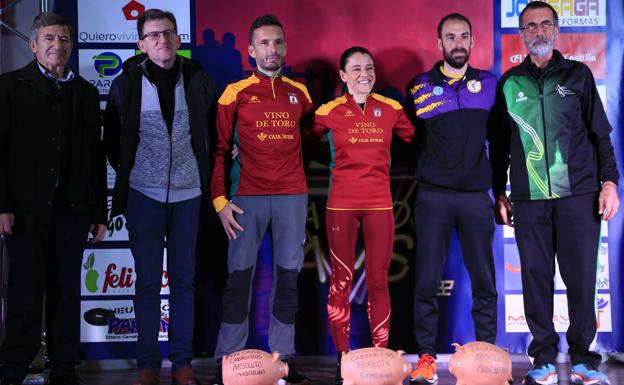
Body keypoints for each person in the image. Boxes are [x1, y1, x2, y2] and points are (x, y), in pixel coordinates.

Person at [491, 2, 619, 385]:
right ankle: (543, 358)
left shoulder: (578, 75)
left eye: (545, 24)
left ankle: (583, 358)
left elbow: (601, 135)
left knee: (581, 278)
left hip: (579, 194)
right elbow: (499, 144)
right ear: (522, 34)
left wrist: (609, 182)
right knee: (534, 276)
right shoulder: (510, 83)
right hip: (529, 196)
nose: (539, 31)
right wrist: (499, 190)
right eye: (530, 26)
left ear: (557, 30)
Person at [103, 9, 215, 385]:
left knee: (184, 281)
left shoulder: (198, 78)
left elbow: (209, 137)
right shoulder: (126, 83)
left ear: (178, 39)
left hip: (189, 195)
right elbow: (112, 142)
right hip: (143, 196)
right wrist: (137, 174)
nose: (161, 40)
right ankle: (149, 364)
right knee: (148, 283)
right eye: (152, 35)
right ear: (141, 44)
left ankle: (182, 363)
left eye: (167, 33)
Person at [0, 12, 107, 385]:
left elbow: (94, 157)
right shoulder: (10, 87)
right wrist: (3, 205)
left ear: (71, 45)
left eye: (63, 39)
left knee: (67, 295)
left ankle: (63, 368)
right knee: (25, 293)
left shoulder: (87, 94)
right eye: (48, 39)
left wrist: (99, 213)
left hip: (74, 211)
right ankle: (12, 368)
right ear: (33, 45)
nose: (56, 46)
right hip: (25, 212)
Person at [210, 14, 312, 385]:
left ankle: (284, 358)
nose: (273, 49)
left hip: (291, 197)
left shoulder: (300, 93)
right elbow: (219, 150)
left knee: (288, 279)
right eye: (265, 43)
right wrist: (220, 201)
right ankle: (228, 359)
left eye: (278, 42)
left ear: (285, 47)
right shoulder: (233, 93)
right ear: (251, 50)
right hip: (245, 200)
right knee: (239, 279)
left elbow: (312, 141)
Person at [309, 46, 414, 384]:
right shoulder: (328, 111)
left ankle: (380, 355)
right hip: (341, 204)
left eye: (368, 68)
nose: (364, 74)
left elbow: (415, 139)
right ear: (342, 75)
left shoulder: (392, 108)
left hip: (380, 205)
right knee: (341, 281)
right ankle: (344, 357)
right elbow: (302, 142)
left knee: (378, 281)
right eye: (355, 69)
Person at [406, 13, 498, 384]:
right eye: (450, 37)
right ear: (439, 43)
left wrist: (501, 190)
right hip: (434, 196)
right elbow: (407, 138)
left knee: (485, 281)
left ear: (472, 43)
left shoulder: (490, 85)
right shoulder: (419, 87)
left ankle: (488, 356)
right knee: (426, 280)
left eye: (464, 36)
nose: (457, 43)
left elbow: (502, 140)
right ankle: (426, 358)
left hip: (477, 196)